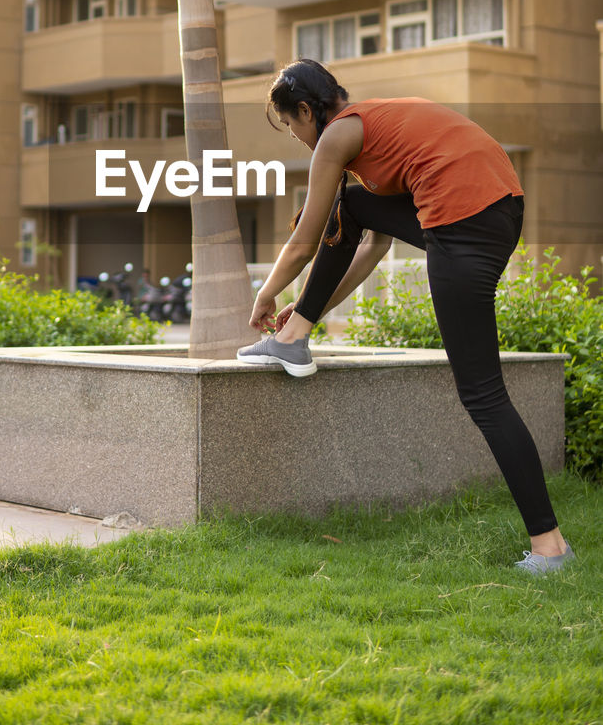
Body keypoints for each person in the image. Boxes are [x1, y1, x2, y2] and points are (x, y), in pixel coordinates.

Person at [237, 58, 574, 575]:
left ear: (307, 110)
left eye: (291, 125)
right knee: (350, 207)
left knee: (483, 395)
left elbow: (306, 237)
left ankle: (550, 549)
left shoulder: (338, 136)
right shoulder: (379, 125)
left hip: (463, 226)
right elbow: (370, 244)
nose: (297, 137)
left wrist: (265, 292)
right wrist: (307, 310)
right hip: (500, 211)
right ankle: (294, 337)